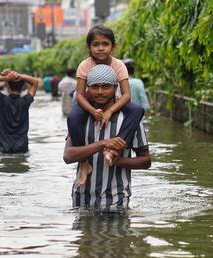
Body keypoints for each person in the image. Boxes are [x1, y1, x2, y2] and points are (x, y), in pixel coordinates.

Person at [63, 64, 151, 211]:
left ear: (116, 87)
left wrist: (119, 161)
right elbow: (68, 156)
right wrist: (103, 144)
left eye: (106, 87)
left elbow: (146, 161)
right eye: (95, 87)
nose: (100, 92)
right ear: (88, 89)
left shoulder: (130, 120)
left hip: (117, 199)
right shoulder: (81, 119)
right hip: (81, 198)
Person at [67, 24, 144, 184]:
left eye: (105, 44)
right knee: (73, 116)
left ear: (113, 46)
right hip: (88, 99)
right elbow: (80, 94)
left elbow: (126, 95)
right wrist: (92, 110)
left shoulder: (118, 65)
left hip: (114, 99)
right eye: (96, 44)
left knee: (137, 110)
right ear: (89, 47)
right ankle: (84, 163)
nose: (100, 48)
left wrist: (110, 111)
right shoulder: (85, 65)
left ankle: (115, 148)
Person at [0, 69, 39, 154]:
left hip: (4, 148)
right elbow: (35, 82)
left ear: (7, 87)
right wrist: (19, 76)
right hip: (22, 148)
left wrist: (5, 78)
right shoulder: (25, 101)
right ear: (23, 87)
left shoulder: (0, 100)